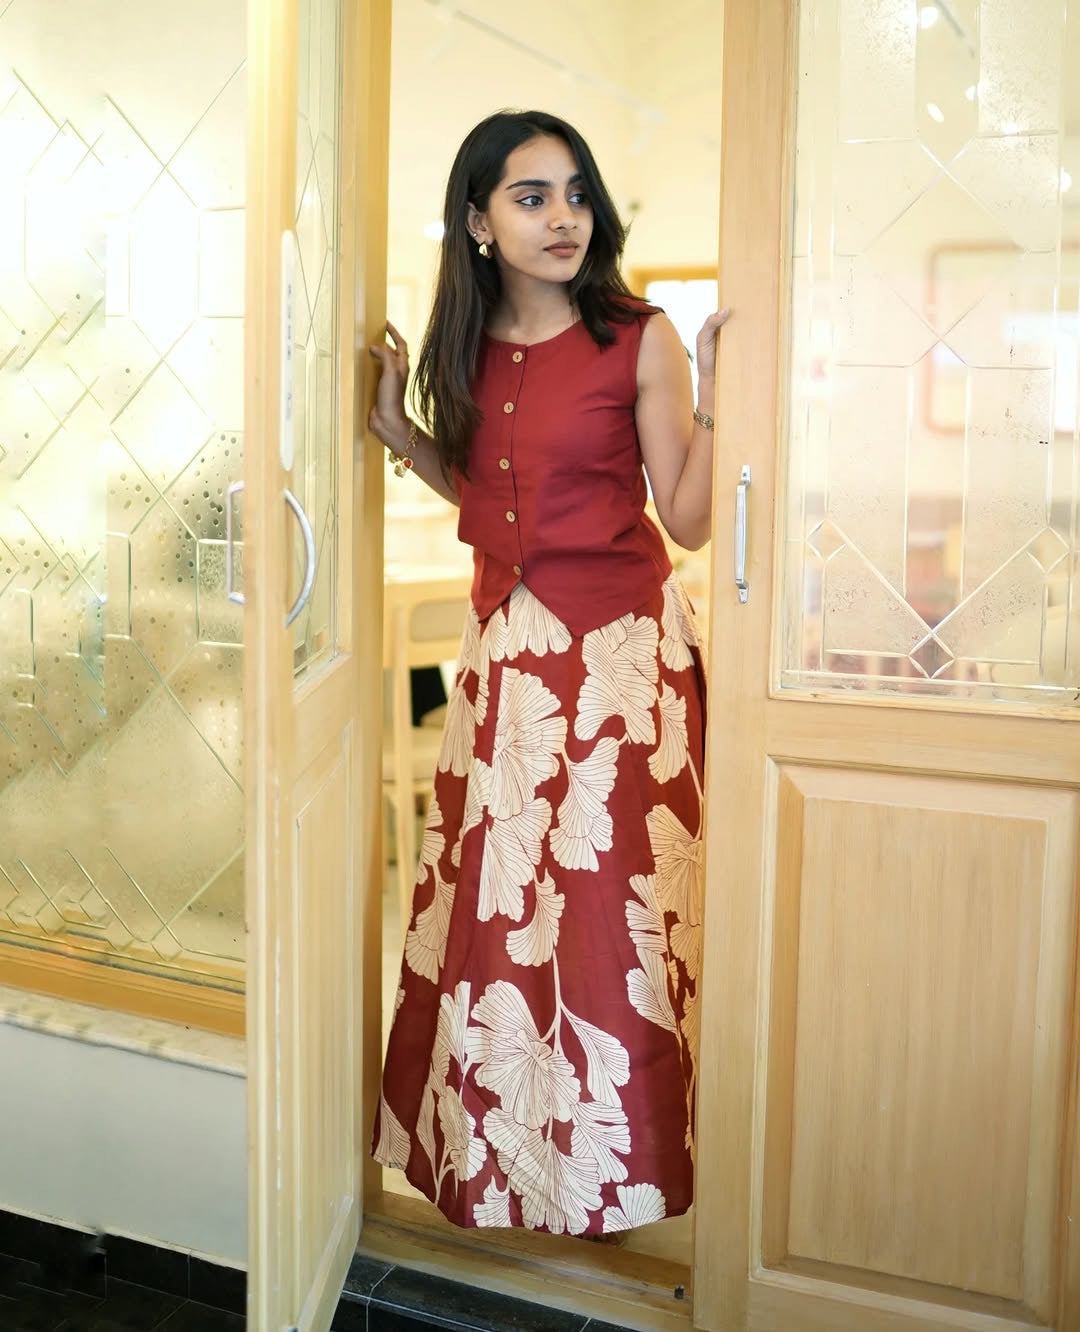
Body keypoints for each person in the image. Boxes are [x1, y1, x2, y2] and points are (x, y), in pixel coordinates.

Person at [369, 109, 729, 1239]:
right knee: (491, 922)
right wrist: (397, 430)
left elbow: (691, 517)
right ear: (478, 222)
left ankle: (617, 1181)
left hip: (619, 665)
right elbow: (488, 501)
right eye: (531, 197)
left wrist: (719, 392)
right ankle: (508, 1170)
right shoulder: (468, 350)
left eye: (574, 192)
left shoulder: (642, 337)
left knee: (607, 929)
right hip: (506, 664)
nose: (563, 216)